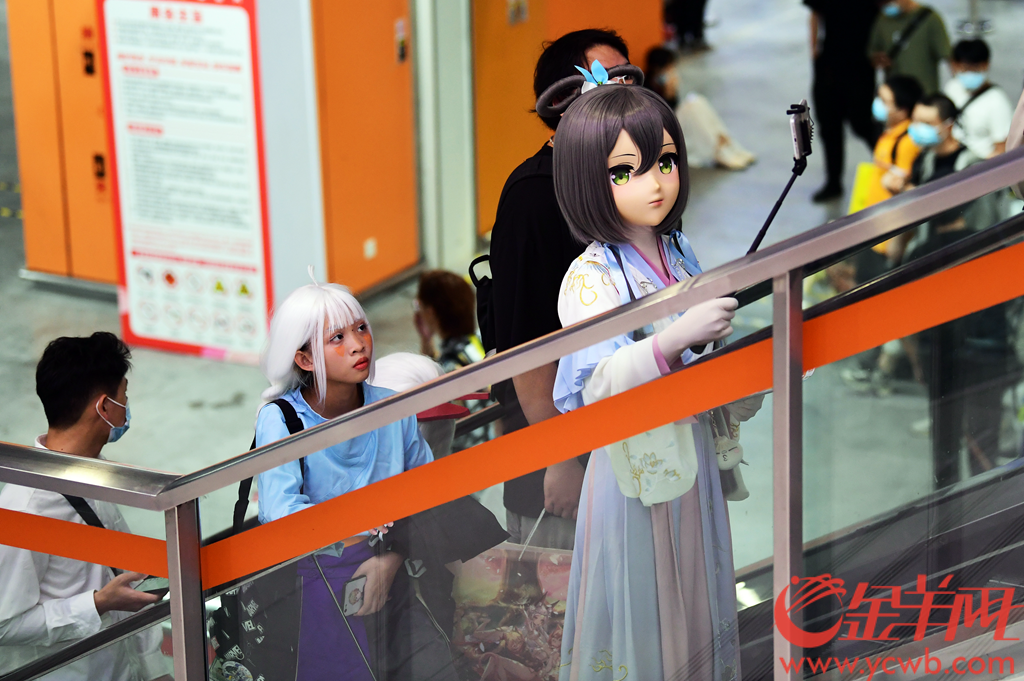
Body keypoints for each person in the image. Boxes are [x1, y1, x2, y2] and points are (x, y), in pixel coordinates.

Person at [541, 75, 763, 680]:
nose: (656, 183)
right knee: (641, 609)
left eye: (664, 162)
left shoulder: (678, 249)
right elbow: (596, 387)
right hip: (632, 471)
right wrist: (673, 339)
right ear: (587, 181)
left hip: (690, 452)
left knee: (696, 591)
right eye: (625, 172)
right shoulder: (588, 277)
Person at [255, 278, 456, 681]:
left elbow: (429, 492)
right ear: (304, 359)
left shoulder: (393, 407)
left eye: (361, 328)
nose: (358, 344)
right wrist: (365, 539)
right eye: (337, 338)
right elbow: (282, 513)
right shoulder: (281, 419)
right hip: (316, 585)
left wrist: (389, 559)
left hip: (395, 571)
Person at [489, 29, 632, 550]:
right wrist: (561, 457)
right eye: (609, 81)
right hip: (562, 466)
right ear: (563, 99)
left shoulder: (626, 181)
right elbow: (526, 346)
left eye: (629, 79)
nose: (627, 95)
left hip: (628, 445)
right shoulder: (535, 197)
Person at [0, 332, 171, 681]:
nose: (127, 406)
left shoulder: (95, 475)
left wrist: (154, 670)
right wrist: (97, 604)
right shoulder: (25, 509)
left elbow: (120, 576)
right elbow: (4, 624)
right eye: (125, 395)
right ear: (104, 407)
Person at [805, 0, 880, 202]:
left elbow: (887, 10)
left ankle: (892, 164)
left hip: (861, 64)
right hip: (829, 63)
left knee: (861, 122)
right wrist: (814, 48)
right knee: (829, 126)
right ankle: (833, 182)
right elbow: (815, 12)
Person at [644, 47, 755, 170]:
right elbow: (660, 115)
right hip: (664, 128)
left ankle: (728, 147)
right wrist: (668, 94)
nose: (671, 69)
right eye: (668, 66)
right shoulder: (647, 87)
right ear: (658, 67)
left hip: (675, 120)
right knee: (692, 107)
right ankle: (719, 152)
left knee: (698, 101)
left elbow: (675, 104)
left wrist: (672, 92)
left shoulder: (665, 81)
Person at [943, 39, 1013, 159]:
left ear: (986, 65)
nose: (969, 73)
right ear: (954, 65)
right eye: (965, 68)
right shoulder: (952, 87)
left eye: (975, 68)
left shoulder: (997, 101)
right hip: (953, 157)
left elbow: (1002, 150)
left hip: (979, 162)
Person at [868, 0, 951, 96]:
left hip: (924, 93)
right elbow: (872, 53)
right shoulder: (882, 19)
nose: (886, 5)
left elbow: (948, 56)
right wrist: (879, 59)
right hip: (894, 95)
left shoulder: (930, 18)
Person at [415, 270, 485, 373]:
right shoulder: (484, 339)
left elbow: (430, 376)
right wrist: (426, 341)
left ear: (430, 312)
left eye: (419, 305)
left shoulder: (448, 368)